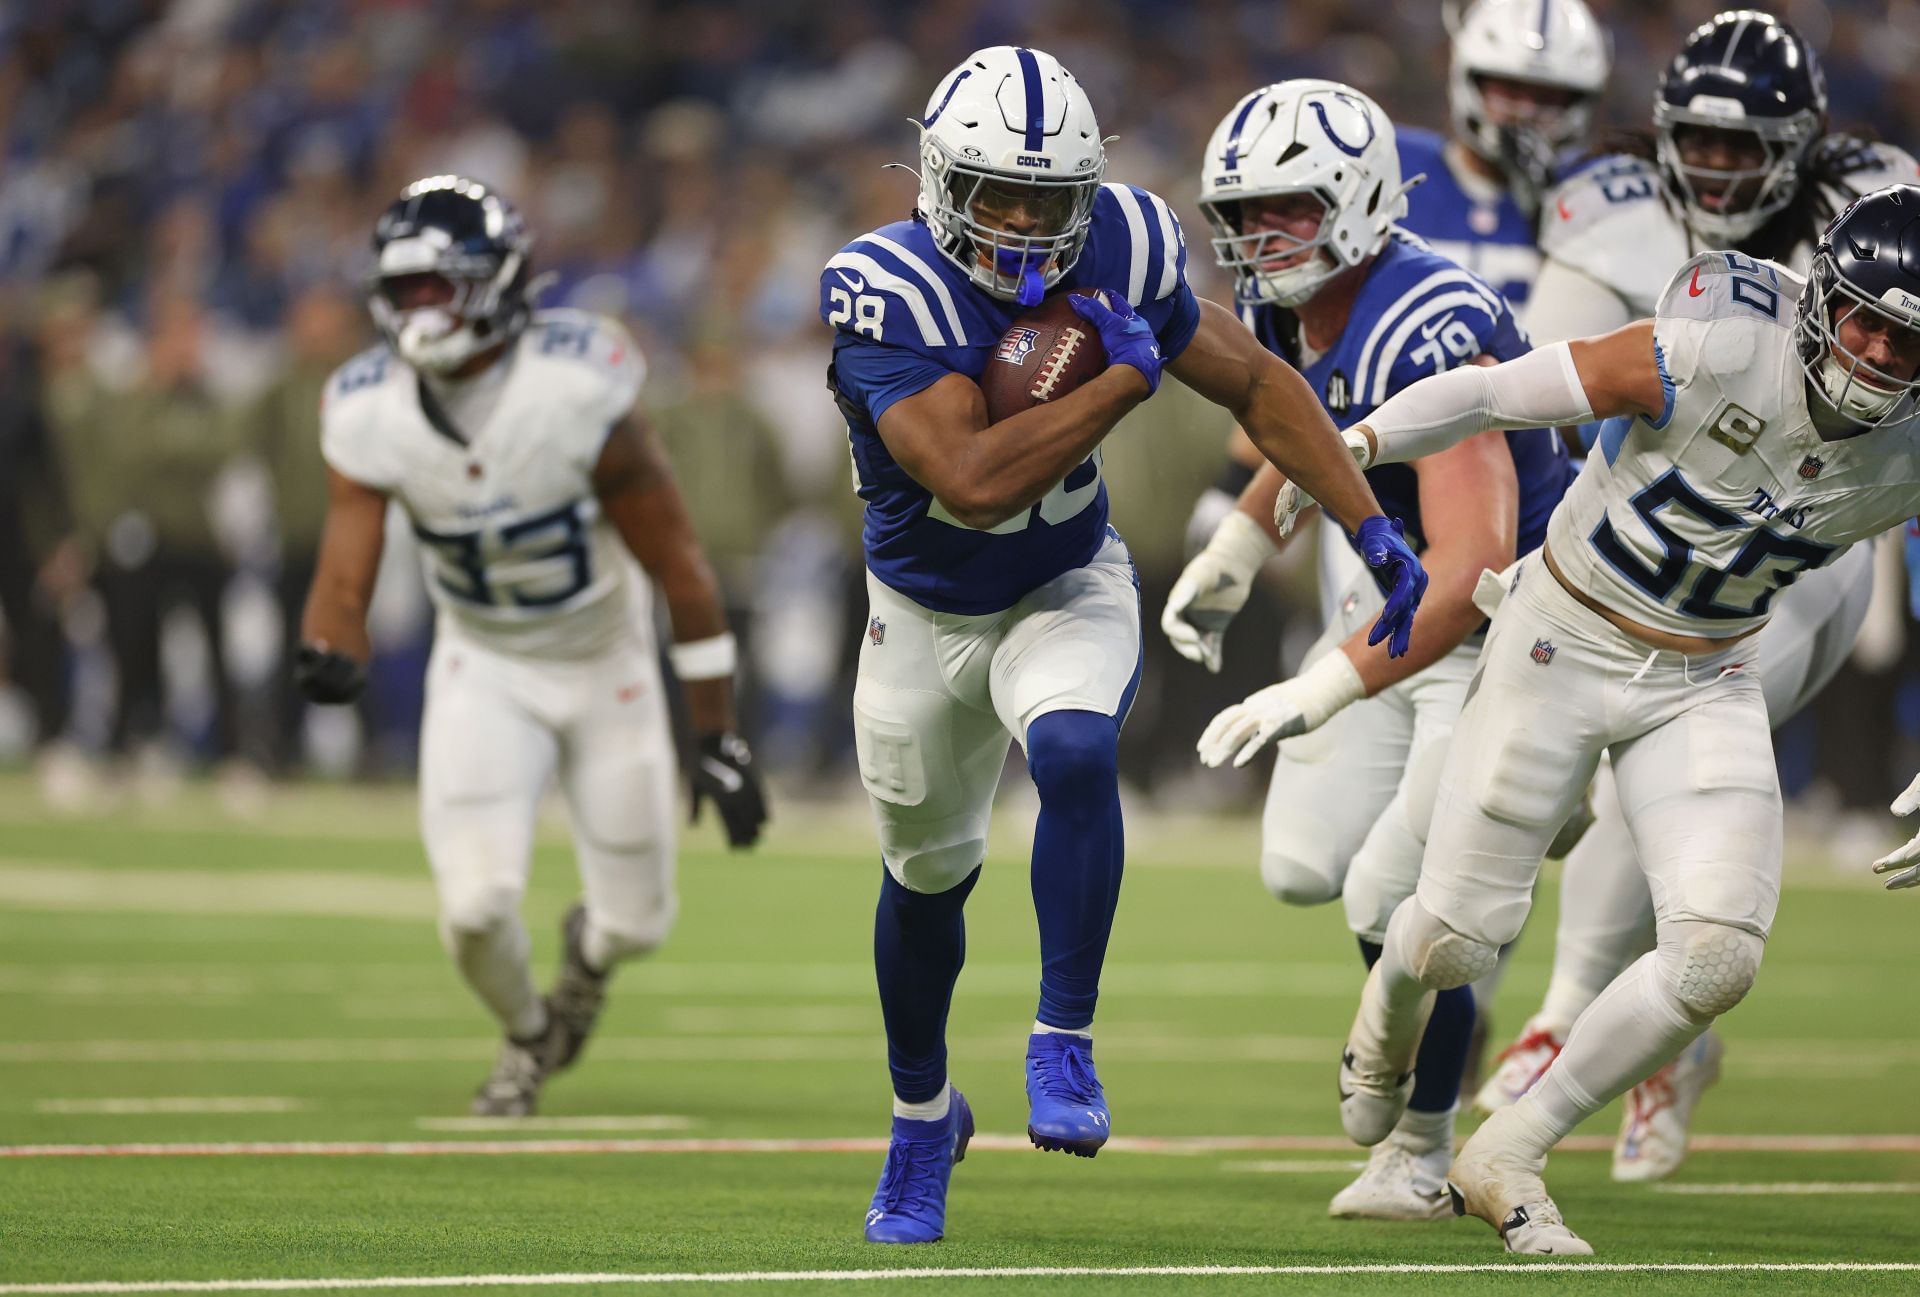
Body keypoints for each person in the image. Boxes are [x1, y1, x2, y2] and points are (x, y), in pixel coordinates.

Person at [824, 47, 1428, 1246]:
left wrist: (1368, 520)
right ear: (942, 180)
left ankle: (1064, 1037)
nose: (1020, 222)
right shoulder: (884, 286)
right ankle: (920, 1116)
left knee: (1078, 750)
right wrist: (1117, 386)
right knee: (924, 881)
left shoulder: (1124, 244)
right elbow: (972, 477)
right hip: (922, 613)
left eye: (1046, 198)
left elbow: (1258, 381)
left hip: (1065, 581)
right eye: (995, 192)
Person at [1327, 183, 1920, 1255]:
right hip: (1562, 637)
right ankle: (1386, 1014)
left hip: (1706, 675)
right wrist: (1358, 447)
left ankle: (1510, 1147)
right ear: (1823, 297)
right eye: (1866, 318)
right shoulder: (1720, 343)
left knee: (1717, 953)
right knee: (1455, 943)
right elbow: (1498, 392)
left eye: (1908, 339)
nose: (1878, 352)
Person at [1470, 9, 1917, 1180]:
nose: (1717, 168)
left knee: (1668, 718)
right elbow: (1542, 402)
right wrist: (1536, 564)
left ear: (1806, 139)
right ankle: (1669, 1028)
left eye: (1744, 144)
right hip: (1626, 536)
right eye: (1698, 143)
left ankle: (1570, 1011)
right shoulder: (1607, 212)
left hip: (1804, 551)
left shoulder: (1883, 212)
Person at [1166, 79, 1572, 1222]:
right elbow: (1323, 425)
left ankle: (1421, 1141)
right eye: (1242, 215)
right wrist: (1247, 536)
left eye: (1286, 210)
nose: (1258, 239)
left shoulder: (1422, 319)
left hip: (1506, 633)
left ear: (1354, 200)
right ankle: (1438, 1009)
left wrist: (1327, 682)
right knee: (1305, 865)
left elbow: (1473, 560)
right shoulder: (1307, 305)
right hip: (1406, 606)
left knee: (1400, 893)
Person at [298, 176, 767, 1118]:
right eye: (407, 292)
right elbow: (347, 563)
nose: (420, 312)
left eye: (441, 287)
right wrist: (328, 644)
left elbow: (680, 568)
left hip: (608, 666)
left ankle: (586, 957)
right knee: (472, 909)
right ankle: (527, 1032)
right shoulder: (367, 408)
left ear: (500, 283)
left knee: (639, 922)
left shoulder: (578, 385)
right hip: (486, 666)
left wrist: (716, 733)